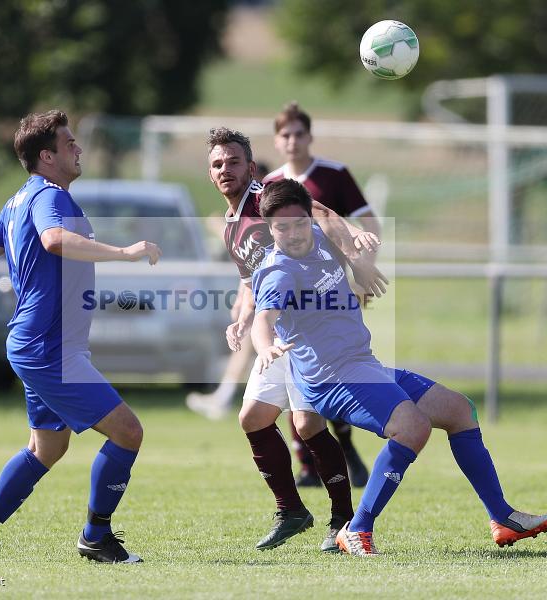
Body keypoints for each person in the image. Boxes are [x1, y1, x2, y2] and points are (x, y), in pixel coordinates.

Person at [251, 178, 547, 557]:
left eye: (299, 223)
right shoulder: (279, 271)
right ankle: (357, 529)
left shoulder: (317, 234)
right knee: (412, 427)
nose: (293, 234)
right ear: (269, 227)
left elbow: (325, 214)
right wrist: (266, 347)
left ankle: (502, 518)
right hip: (333, 380)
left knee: (460, 410)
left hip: (363, 365)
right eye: (281, 228)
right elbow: (263, 319)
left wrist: (355, 247)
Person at [0, 110, 161, 564]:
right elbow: (53, 240)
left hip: (37, 343)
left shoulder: (18, 200)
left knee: (47, 447)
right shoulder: (49, 196)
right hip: (48, 346)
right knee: (128, 432)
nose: (78, 148)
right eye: (69, 142)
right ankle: (96, 537)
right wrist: (125, 252)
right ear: (47, 156)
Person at [206, 127, 387, 553]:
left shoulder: (267, 194)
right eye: (217, 164)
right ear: (210, 174)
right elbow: (252, 280)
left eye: (233, 161)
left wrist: (355, 251)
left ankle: (343, 520)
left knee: (307, 424)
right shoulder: (232, 226)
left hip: (313, 331)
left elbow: (322, 214)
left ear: (250, 166)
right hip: (279, 334)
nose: (225, 169)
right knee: (252, 418)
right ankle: (291, 510)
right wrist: (242, 316)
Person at [262, 102, 377, 488]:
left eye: (299, 133)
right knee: (298, 374)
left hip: (334, 292)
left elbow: (366, 222)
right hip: (291, 296)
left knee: (339, 370)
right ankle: (315, 463)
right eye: (285, 134)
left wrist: (362, 272)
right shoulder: (272, 184)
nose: (292, 141)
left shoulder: (333, 174)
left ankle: (343, 449)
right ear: (277, 141)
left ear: (309, 136)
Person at [185, 161, 271, 420]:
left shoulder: (267, 204)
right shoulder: (239, 218)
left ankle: (224, 398)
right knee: (250, 345)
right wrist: (242, 297)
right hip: (263, 298)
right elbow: (250, 264)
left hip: (283, 301)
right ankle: (224, 398)